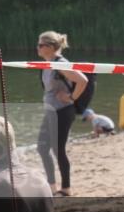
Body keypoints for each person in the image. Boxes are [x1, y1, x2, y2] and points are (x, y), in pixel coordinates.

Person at [36, 32, 88, 196]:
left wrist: (71, 97)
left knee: (58, 149)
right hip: (51, 111)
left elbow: (83, 80)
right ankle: (51, 187)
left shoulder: (60, 63)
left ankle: (65, 189)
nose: (37, 48)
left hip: (63, 111)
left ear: (51, 47)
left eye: (40, 45)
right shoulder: (47, 63)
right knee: (42, 147)